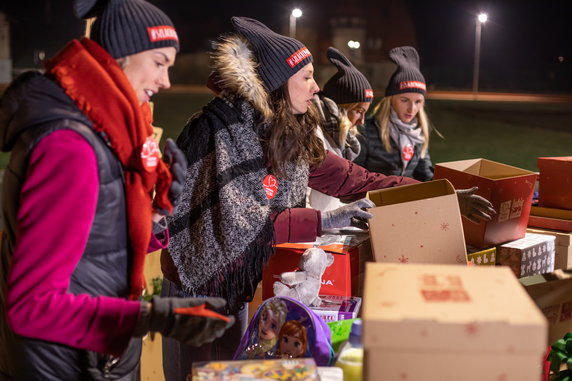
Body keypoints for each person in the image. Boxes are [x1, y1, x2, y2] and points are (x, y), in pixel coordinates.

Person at [162, 17, 494, 381]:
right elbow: (241, 225)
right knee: (195, 376)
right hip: (195, 283)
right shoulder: (220, 132)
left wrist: (438, 196)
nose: (316, 87)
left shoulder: (288, 135)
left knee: (226, 374)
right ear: (274, 84)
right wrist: (323, 221)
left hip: (236, 283)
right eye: (305, 77)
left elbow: (355, 179)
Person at [0, 0, 234, 379]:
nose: (166, 82)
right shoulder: (70, 147)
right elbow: (32, 307)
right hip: (67, 364)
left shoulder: (106, 132)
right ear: (120, 57)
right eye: (159, 62)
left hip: (94, 358)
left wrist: (152, 214)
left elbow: (95, 249)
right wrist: (154, 316)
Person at [354, 46, 436, 182]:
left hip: (404, 201)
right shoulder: (366, 130)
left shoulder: (418, 133)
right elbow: (355, 177)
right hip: (373, 201)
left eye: (418, 102)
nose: (412, 108)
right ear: (390, 100)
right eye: (404, 100)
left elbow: (425, 175)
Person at [308, 47, 374, 211]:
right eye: (358, 111)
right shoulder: (313, 135)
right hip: (312, 234)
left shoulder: (336, 137)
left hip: (325, 232)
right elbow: (302, 201)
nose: (361, 121)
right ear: (340, 108)